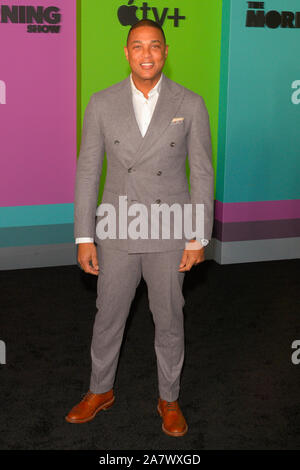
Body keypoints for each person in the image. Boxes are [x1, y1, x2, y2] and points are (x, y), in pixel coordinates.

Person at [65, 19, 214, 437]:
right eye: (137, 47)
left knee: (168, 317)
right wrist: (83, 235)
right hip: (117, 227)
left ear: (165, 52)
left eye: (154, 46)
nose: (146, 54)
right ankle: (100, 390)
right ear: (126, 53)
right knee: (108, 314)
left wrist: (198, 235)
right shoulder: (100, 103)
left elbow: (202, 173)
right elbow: (88, 172)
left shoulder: (191, 103)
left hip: (170, 228)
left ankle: (169, 398)